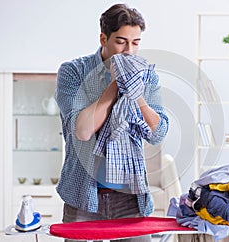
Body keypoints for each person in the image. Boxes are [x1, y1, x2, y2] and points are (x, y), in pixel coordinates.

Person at [55, 3, 169, 242]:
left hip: (129, 197)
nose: (128, 51)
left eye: (135, 42)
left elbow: (157, 134)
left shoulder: (146, 75)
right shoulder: (73, 72)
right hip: (82, 195)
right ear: (103, 38)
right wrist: (116, 83)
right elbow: (83, 131)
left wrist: (136, 93)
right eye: (121, 41)